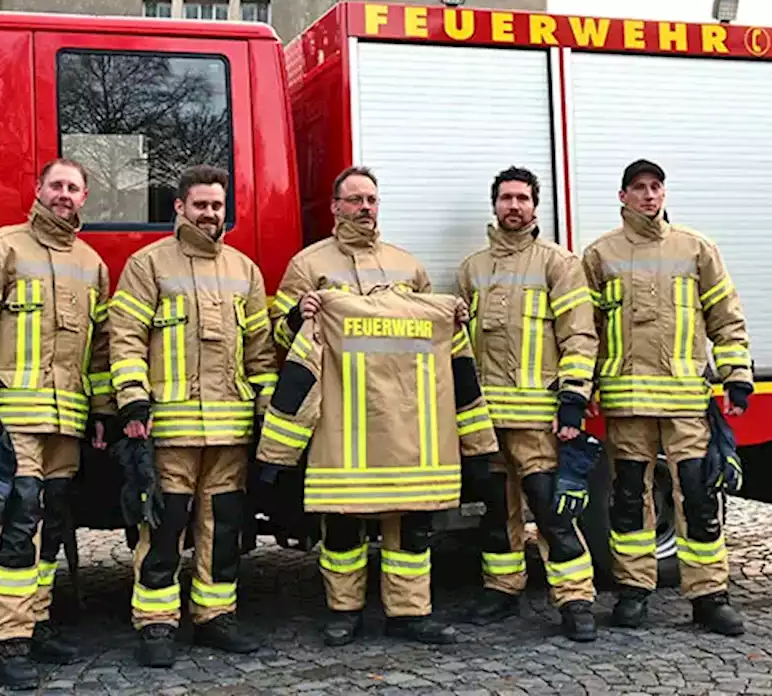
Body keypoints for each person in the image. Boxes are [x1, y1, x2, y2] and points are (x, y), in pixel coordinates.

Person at [0, 157, 114, 690]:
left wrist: (102, 412)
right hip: (14, 418)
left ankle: (37, 624)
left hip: (66, 422)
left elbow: (100, 349)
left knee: (54, 527)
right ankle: (7, 640)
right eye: (57, 185)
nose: (64, 195)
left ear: (84, 197)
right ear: (39, 190)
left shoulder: (92, 264)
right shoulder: (2, 248)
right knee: (18, 526)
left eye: (74, 188)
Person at [255, 287, 497, 647]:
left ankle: (409, 614)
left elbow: (299, 381)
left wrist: (479, 448)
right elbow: (290, 350)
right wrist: (298, 315)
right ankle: (344, 612)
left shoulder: (424, 292)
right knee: (342, 536)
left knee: (412, 536)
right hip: (392, 453)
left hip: (363, 455)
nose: (367, 224)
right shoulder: (314, 272)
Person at [108, 164, 278, 667]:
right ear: (179, 207)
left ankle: (214, 617)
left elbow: (261, 351)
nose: (210, 213)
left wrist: (267, 410)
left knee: (223, 527)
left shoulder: (244, 270)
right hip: (171, 428)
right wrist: (133, 398)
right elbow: (126, 338)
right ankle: (157, 623)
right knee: (164, 527)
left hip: (229, 428)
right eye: (200, 204)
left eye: (217, 205)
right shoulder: (148, 265)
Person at [582, 159, 753, 636]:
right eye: (638, 188)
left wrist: (736, 375)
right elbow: (585, 331)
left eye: (655, 187)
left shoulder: (696, 249)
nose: (649, 196)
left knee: (698, 499)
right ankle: (633, 592)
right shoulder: (599, 256)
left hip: (684, 403)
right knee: (629, 501)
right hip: (627, 402)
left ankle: (709, 597)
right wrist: (585, 386)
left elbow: (725, 317)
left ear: (664, 193)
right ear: (623, 196)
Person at [454, 166, 600, 640]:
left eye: (522, 198)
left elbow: (579, 334)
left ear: (536, 206)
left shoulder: (559, 264)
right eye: (505, 198)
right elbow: (457, 342)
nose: (513, 206)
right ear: (493, 205)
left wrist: (574, 401)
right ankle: (502, 589)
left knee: (553, 513)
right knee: (497, 514)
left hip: (538, 421)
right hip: (487, 423)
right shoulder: (473, 269)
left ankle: (576, 599)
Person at [268, 166, 434, 350]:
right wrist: (297, 317)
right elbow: (279, 339)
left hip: (399, 378)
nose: (365, 207)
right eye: (355, 200)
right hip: (337, 379)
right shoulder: (306, 265)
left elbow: (433, 330)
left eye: (371, 200)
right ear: (335, 206)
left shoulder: (410, 265)